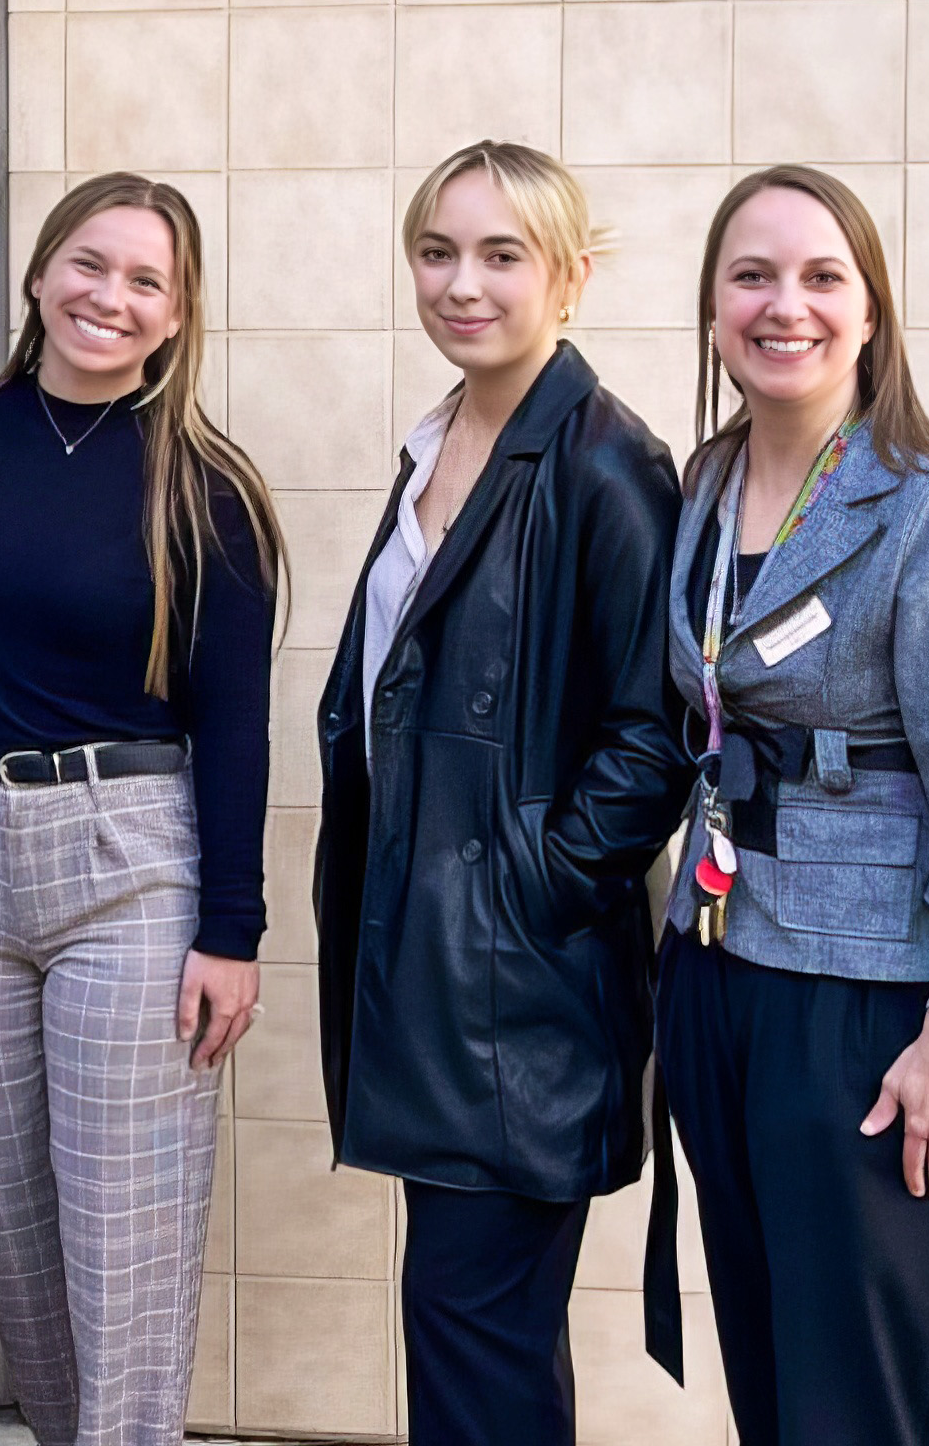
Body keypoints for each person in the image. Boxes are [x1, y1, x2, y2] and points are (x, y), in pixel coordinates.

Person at [645, 164, 929, 1443]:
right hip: (723, 973)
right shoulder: (703, 490)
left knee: (860, 1400)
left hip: (876, 1008)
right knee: (769, 1386)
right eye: (751, 276)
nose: (785, 307)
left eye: (823, 277)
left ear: (872, 310)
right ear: (713, 306)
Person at [312, 142, 689, 1446]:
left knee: (477, 1347)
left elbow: (656, 737)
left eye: (500, 254)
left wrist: (524, 892)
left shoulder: (606, 465)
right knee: (476, 1346)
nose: (460, 283)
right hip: (437, 978)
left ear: (571, 275)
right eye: (437, 251)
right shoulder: (446, 438)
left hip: (514, 1000)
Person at [0, 173, 283, 1446]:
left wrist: (231, 934)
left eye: (148, 281)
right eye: (90, 265)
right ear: (37, 275)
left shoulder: (203, 487)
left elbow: (234, 728)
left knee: (120, 1246)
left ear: (178, 315)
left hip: (131, 868)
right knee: (14, 1238)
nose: (110, 299)